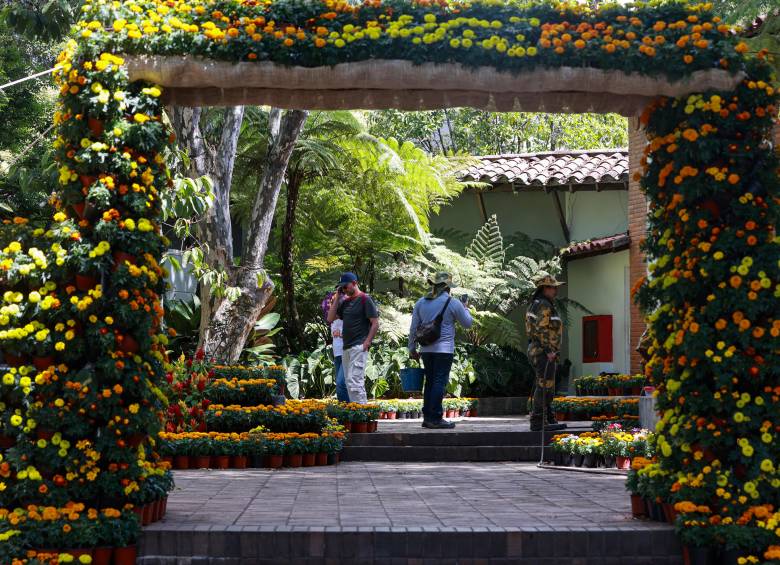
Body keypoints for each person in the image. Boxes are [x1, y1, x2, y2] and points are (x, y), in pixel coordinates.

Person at [408, 272, 473, 429]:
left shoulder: (421, 302)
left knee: (430, 381)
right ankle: (436, 418)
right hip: (444, 350)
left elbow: (413, 328)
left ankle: (427, 417)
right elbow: (467, 323)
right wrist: (466, 308)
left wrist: (411, 348)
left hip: (425, 349)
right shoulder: (453, 302)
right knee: (438, 382)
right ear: (447, 287)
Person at [326, 272, 379, 404]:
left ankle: (362, 415)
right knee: (349, 384)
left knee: (356, 382)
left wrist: (367, 342)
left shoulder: (365, 299)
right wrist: (338, 297)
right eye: (341, 288)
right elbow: (330, 318)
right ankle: (356, 415)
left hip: (358, 346)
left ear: (354, 283)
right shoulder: (345, 302)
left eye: (345, 286)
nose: (344, 289)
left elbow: (375, 323)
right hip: (346, 348)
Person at [526, 274, 567, 432]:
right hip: (542, 352)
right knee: (544, 386)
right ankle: (538, 422)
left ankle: (549, 419)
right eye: (553, 287)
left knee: (547, 385)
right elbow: (542, 330)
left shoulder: (537, 304)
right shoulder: (543, 305)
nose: (556, 290)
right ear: (545, 288)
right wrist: (549, 350)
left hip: (539, 350)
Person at [322, 292, 349, 402]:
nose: (331, 306)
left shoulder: (347, 318)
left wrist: (341, 334)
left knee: (341, 382)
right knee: (339, 383)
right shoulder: (332, 320)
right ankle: (344, 408)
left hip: (347, 352)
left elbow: (354, 333)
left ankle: (348, 407)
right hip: (337, 353)